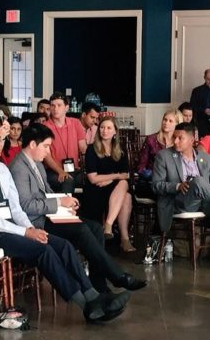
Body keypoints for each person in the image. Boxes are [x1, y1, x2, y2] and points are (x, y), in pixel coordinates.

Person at [0, 125, 127, 324]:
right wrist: (25, 232)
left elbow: (16, 207)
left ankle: (93, 296)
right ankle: (86, 306)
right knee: (43, 250)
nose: (0, 143)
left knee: (63, 245)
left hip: (12, 227)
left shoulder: (1, 169)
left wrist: (30, 228)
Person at [10, 123, 146, 293]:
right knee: (81, 229)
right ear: (32, 145)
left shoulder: (35, 163)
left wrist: (65, 203)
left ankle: (100, 285)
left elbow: (47, 192)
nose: (48, 152)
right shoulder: (19, 168)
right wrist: (59, 204)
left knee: (96, 228)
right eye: (45, 147)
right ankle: (117, 276)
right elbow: (26, 206)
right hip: (37, 222)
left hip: (50, 214)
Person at [152, 122, 210, 275]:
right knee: (196, 181)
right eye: (174, 137)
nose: (175, 141)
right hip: (180, 201)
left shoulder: (205, 158)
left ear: (191, 140)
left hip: (204, 202)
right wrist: (176, 186)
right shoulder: (164, 156)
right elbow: (156, 185)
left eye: (179, 138)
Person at [81, 116, 134, 250]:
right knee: (125, 194)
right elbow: (93, 178)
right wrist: (115, 176)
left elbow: (126, 175)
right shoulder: (91, 149)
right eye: (102, 128)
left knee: (125, 189)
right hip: (96, 189)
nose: (105, 131)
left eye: (109, 128)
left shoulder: (120, 151)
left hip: (114, 189)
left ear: (115, 131)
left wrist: (110, 180)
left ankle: (110, 226)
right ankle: (124, 238)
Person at [43, 93, 86, 194]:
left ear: (66, 108)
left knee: (90, 178)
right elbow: (46, 157)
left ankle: (89, 209)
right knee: (68, 180)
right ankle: (67, 209)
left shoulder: (76, 123)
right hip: (53, 171)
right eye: (52, 105)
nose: (55, 108)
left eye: (59, 105)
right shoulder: (45, 127)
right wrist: (60, 171)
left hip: (74, 169)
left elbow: (83, 148)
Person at [138, 109, 179, 177]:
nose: (166, 123)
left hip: (174, 180)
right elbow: (141, 166)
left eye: (170, 121)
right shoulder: (151, 139)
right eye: (165, 120)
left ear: (177, 124)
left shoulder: (179, 142)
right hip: (153, 178)